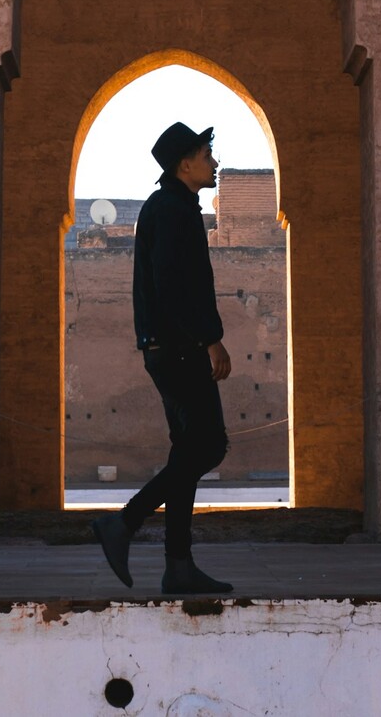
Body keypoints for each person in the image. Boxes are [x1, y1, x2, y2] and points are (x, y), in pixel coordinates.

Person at [91, 121, 233, 595]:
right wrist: (209, 338)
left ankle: (178, 565)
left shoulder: (172, 206)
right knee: (208, 447)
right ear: (185, 163)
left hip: (170, 347)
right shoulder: (172, 210)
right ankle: (124, 524)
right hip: (179, 350)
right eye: (207, 154)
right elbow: (173, 286)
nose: (214, 163)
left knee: (189, 451)